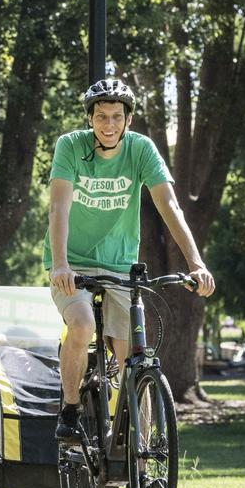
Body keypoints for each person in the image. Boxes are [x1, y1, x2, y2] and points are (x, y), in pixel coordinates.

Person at [46, 79, 216, 451]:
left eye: (117, 117)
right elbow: (59, 206)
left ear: (129, 120)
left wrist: (196, 262)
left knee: (133, 362)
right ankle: (71, 409)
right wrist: (60, 264)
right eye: (102, 116)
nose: (109, 124)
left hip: (121, 267)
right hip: (72, 265)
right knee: (82, 324)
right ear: (90, 119)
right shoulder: (70, 147)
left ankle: (142, 461)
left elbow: (169, 206)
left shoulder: (141, 150)